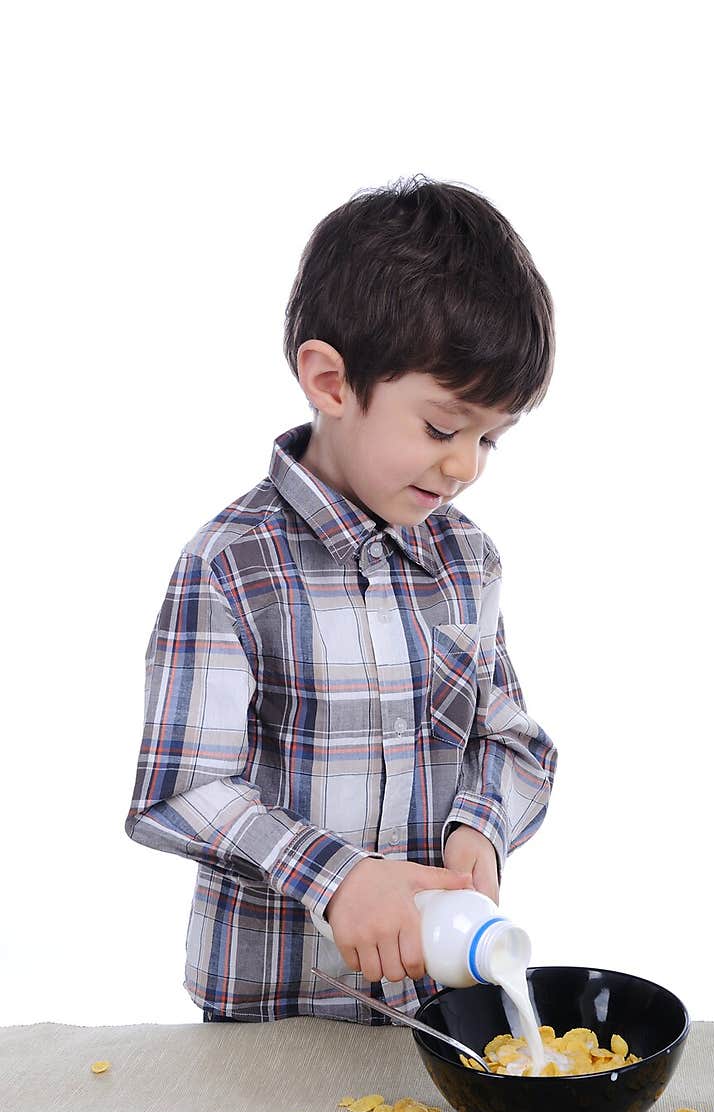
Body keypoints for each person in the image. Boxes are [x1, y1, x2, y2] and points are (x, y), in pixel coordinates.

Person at [125, 173, 558, 1023]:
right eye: (442, 427)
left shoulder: (466, 560)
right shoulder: (231, 565)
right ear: (329, 381)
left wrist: (481, 827)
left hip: (432, 1009)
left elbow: (513, 741)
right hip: (271, 1017)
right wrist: (337, 878)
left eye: (487, 440)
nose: (464, 465)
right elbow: (180, 788)